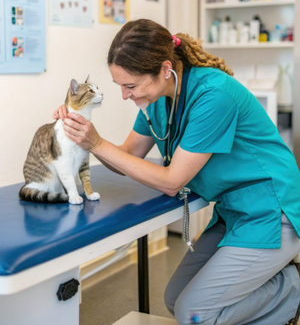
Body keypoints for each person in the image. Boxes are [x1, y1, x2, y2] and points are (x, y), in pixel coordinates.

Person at [55, 19, 300, 325]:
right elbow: (128, 155)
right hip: (233, 211)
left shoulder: (214, 94)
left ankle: (291, 291)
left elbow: (172, 182)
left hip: (271, 211)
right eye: (119, 85)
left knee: (194, 313)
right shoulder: (157, 100)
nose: (124, 95)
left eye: (130, 86)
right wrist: (83, 140)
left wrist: (97, 142)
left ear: (165, 69)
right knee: (175, 299)